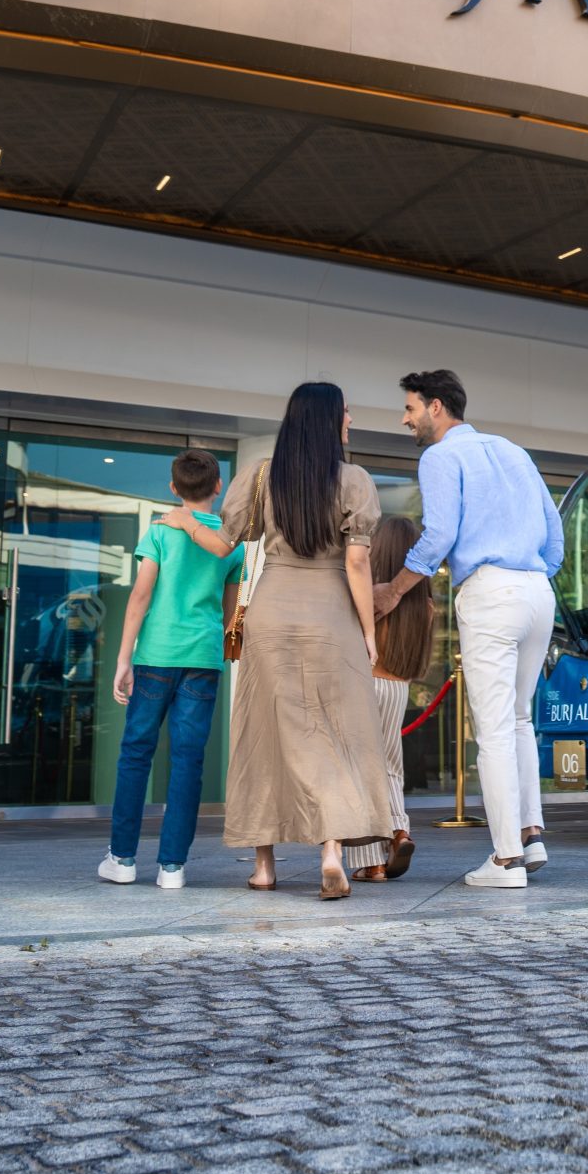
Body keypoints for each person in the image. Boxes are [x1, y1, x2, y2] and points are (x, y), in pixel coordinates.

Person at [172, 383, 393, 900]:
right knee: (334, 732)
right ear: (329, 420)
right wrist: (368, 629)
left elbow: (227, 542)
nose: (351, 420)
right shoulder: (354, 480)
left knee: (265, 733)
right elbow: (358, 563)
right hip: (331, 613)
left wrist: (182, 520)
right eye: (345, 413)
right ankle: (331, 853)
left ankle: (265, 866)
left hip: (271, 612)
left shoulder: (262, 474)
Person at [374, 369, 564, 889]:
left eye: (410, 408)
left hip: (491, 590)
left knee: (496, 730)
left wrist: (393, 589)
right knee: (521, 721)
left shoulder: (440, 456)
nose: (405, 418)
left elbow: (440, 535)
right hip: (536, 590)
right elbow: (556, 535)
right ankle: (529, 834)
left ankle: (505, 862)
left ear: (436, 407)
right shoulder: (513, 451)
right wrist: (530, 573)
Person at [98, 448, 244, 891]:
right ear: (218, 487)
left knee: (136, 753)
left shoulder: (160, 530)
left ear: (173, 488)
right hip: (201, 660)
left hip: (155, 657)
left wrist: (124, 657)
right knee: (188, 761)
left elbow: (140, 596)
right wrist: (210, 648)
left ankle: (122, 859)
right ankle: (172, 867)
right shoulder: (231, 540)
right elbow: (231, 610)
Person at [344, 514, 436, 883]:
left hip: (364, 683)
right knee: (390, 767)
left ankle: (372, 862)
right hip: (399, 687)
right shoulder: (424, 606)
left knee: (359, 770)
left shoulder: (370, 595)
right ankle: (399, 831)